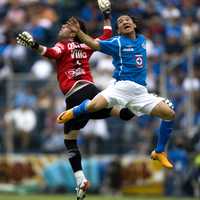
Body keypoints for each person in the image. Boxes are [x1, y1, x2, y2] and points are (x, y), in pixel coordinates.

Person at [16, 1, 134, 199]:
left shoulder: (63, 45)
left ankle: (80, 178)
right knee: (102, 111)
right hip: (90, 89)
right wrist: (106, 15)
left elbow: (50, 53)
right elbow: (105, 36)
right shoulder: (85, 45)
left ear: (72, 32)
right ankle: (127, 111)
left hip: (75, 94)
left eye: (65, 26)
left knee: (69, 140)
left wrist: (33, 44)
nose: (62, 27)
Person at [57, 15, 176, 169]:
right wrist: (79, 32)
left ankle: (159, 151)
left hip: (140, 92)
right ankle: (75, 110)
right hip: (121, 87)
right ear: (118, 30)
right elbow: (93, 44)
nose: (124, 22)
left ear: (134, 24)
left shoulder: (143, 40)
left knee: (169, 114)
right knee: (93, 107)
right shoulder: (117, 42)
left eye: (127, 20)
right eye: (120, 22)